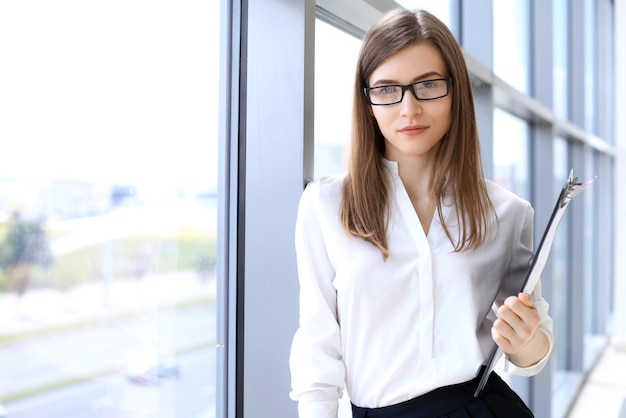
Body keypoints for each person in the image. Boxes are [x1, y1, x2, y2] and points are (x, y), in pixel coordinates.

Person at [289, 7, 553, 418]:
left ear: (456, 91)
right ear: (368, 102)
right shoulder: (326, 204)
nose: (408, 108)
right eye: (387, 89)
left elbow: (532, 351)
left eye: (428, 86)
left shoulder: (508, 213)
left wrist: (527, 339)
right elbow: (317, 347)